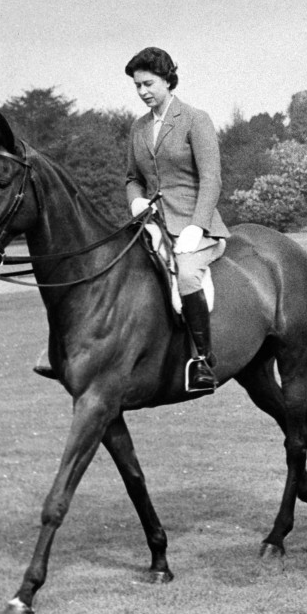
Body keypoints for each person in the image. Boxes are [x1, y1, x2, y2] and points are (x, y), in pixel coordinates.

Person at [125, 46, 230, 395]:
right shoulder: (138, 129)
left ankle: (202, 361)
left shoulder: (195, 119)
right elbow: (132, 178)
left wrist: (197, 226)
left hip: (194, 225)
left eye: (148, 83)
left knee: (186, 275)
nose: (142, 92)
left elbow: (211, 179)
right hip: (152, 222)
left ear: (168, 80)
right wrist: (136, 199)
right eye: (137, 86)